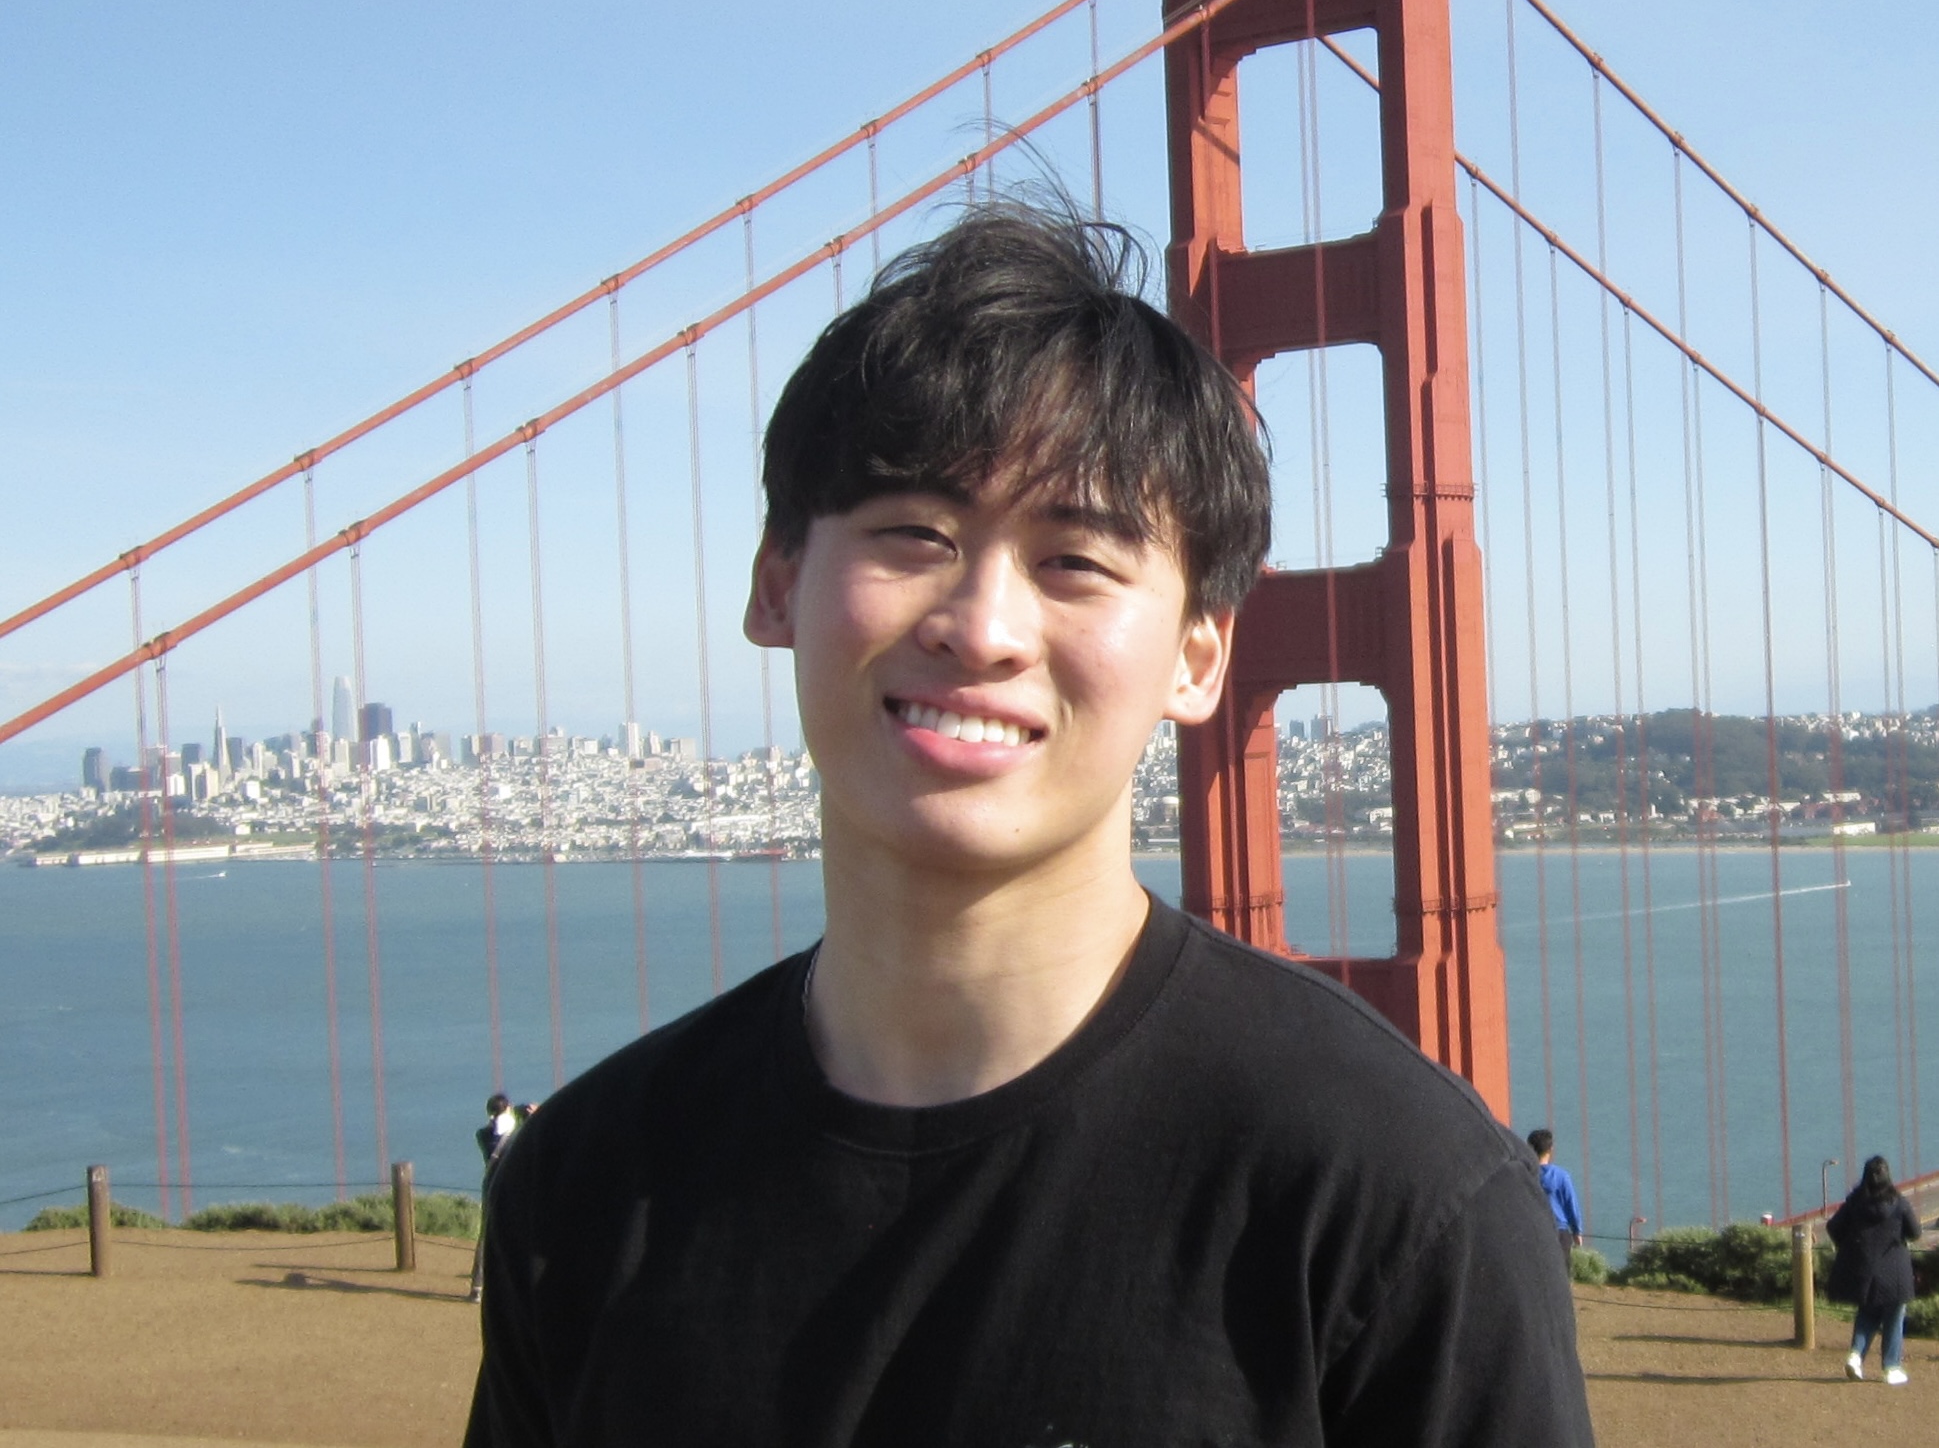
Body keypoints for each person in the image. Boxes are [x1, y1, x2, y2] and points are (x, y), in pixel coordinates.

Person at [465, 199, 1594, 1445]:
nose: (982, 625)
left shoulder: (1393, 1202)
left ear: (1199, 656)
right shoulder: (581, 1188)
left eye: (1076, 562)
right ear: (776, 583)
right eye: (912, 533)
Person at [1827, 1154, 1922, 1385]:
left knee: (1867, 1314)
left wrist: (1849, 1246)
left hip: (1864, 1271)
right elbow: (1916, 1232)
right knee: (1894, 1317)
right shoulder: (1899, 1203)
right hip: (1895, 1271)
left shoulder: (1854, 1202)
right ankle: (1891, 1367)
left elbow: (1833, 1227)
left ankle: (1855, 1356)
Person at [468, 1093, 533, 1304]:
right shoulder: (517, 1132)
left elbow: (496, 1128)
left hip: (492, 1186)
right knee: (520, 1235)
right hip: (515, 1187)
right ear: (507, 1110)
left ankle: (477, 1286)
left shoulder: (483, 1134)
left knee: (486, 1237)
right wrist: (528, 1115)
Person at [1528, 1127, 1585, 1268]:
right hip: (1559, 1231)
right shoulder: (1561, 1176)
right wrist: (1577, 1231)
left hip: (1531, 1229)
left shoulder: (1524, 1173)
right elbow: (1571, 1204)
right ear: (1550, 1149)